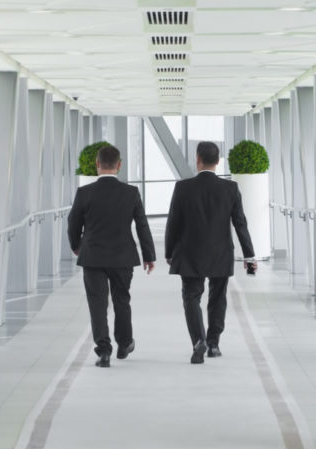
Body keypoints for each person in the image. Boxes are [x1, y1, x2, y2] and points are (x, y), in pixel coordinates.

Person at [165, 141, 257, 364]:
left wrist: (169, 252)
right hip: (220, 252)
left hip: (189, 252)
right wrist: (249, 255)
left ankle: (199, 340)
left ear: (197, 159)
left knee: (191, 296)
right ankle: (214, 344)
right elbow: (240, 224)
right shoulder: (230, 188)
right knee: (218, 298)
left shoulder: (183, 187)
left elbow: (173, 223)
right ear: (218, 161)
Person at [68, 144, 156, 368]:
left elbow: (73, 223)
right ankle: (125, 343)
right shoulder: (131, 193)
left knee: (97, 305)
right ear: (119, 165)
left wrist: (77, 245)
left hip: (93, 256)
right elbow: (142, 225)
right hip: (122, 256)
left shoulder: (84, 193)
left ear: (97, 164)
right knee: (122, 300)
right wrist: (149, 255)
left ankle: (104, 351)